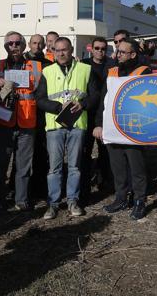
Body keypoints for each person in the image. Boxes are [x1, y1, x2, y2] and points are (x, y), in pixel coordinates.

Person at [35, 37, 100, 219]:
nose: (61, 53)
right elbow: (39, 99)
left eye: (64, 50)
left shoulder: (86, 69)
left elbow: (96, 94)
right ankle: (53, 204)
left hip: (77, 125)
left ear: (71, 50)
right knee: (54, 168)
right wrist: (57, 107)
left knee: (75, 167)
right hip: (54, 126)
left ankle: (73, 201)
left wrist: (84, 104)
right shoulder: (47, 71)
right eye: (57, 50)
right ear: (53, 51)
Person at [93, 39, 151, 220]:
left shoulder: (143, 71)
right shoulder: (112, 71)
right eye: (117, 52)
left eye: (122, 52)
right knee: (117, 166)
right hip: (112, 127)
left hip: (134, 127)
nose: (118, 55)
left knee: (136, 167)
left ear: (133, 54)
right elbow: (104, 100)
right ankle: (121, 198)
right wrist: (98, 124)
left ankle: (140, 200)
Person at [0, 31, 42, 212]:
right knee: (0, 164)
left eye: (17, 43)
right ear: (5, 46)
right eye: (10, 44)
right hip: (4, 123)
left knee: (24, 165)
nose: (14, 47)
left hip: (27, 123)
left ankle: (21, 200)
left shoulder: (35, 66)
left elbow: (41, 93)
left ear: (24, 45)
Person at [81, 37, 114, 202]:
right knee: (85, 151)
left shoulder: (112, 65)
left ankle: (104, 182)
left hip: (106, 113)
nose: (100, 51)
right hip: (87, 113)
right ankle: (85, 185)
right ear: (91, 49)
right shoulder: (83, 64)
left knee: (105, 151)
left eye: (103, 49)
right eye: (97, 48)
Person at [24, 34, 53, 200]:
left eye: (40, 43)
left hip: (43, 114)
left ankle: (40, 188)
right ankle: (21, 188)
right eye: (34, 43)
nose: (37, 46)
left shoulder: (49, 64)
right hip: (25, 114)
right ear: (29, 44)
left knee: (42, 153)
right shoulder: (22, 62)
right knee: (24, 154)